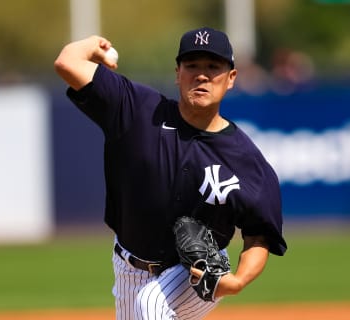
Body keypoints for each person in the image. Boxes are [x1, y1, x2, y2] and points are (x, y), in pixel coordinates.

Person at [54, 27, 287, 320]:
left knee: (151, 307)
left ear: (231, 79)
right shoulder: (137, 110)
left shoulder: (246, 162)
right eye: (192, 66)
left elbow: (259, 235)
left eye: (213, 67)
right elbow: (67, 63)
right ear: (177, 73)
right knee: (145, 305)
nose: (201, 75)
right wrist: (92, 44)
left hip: (197, 272)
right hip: (128, 268)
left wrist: (238, 281)